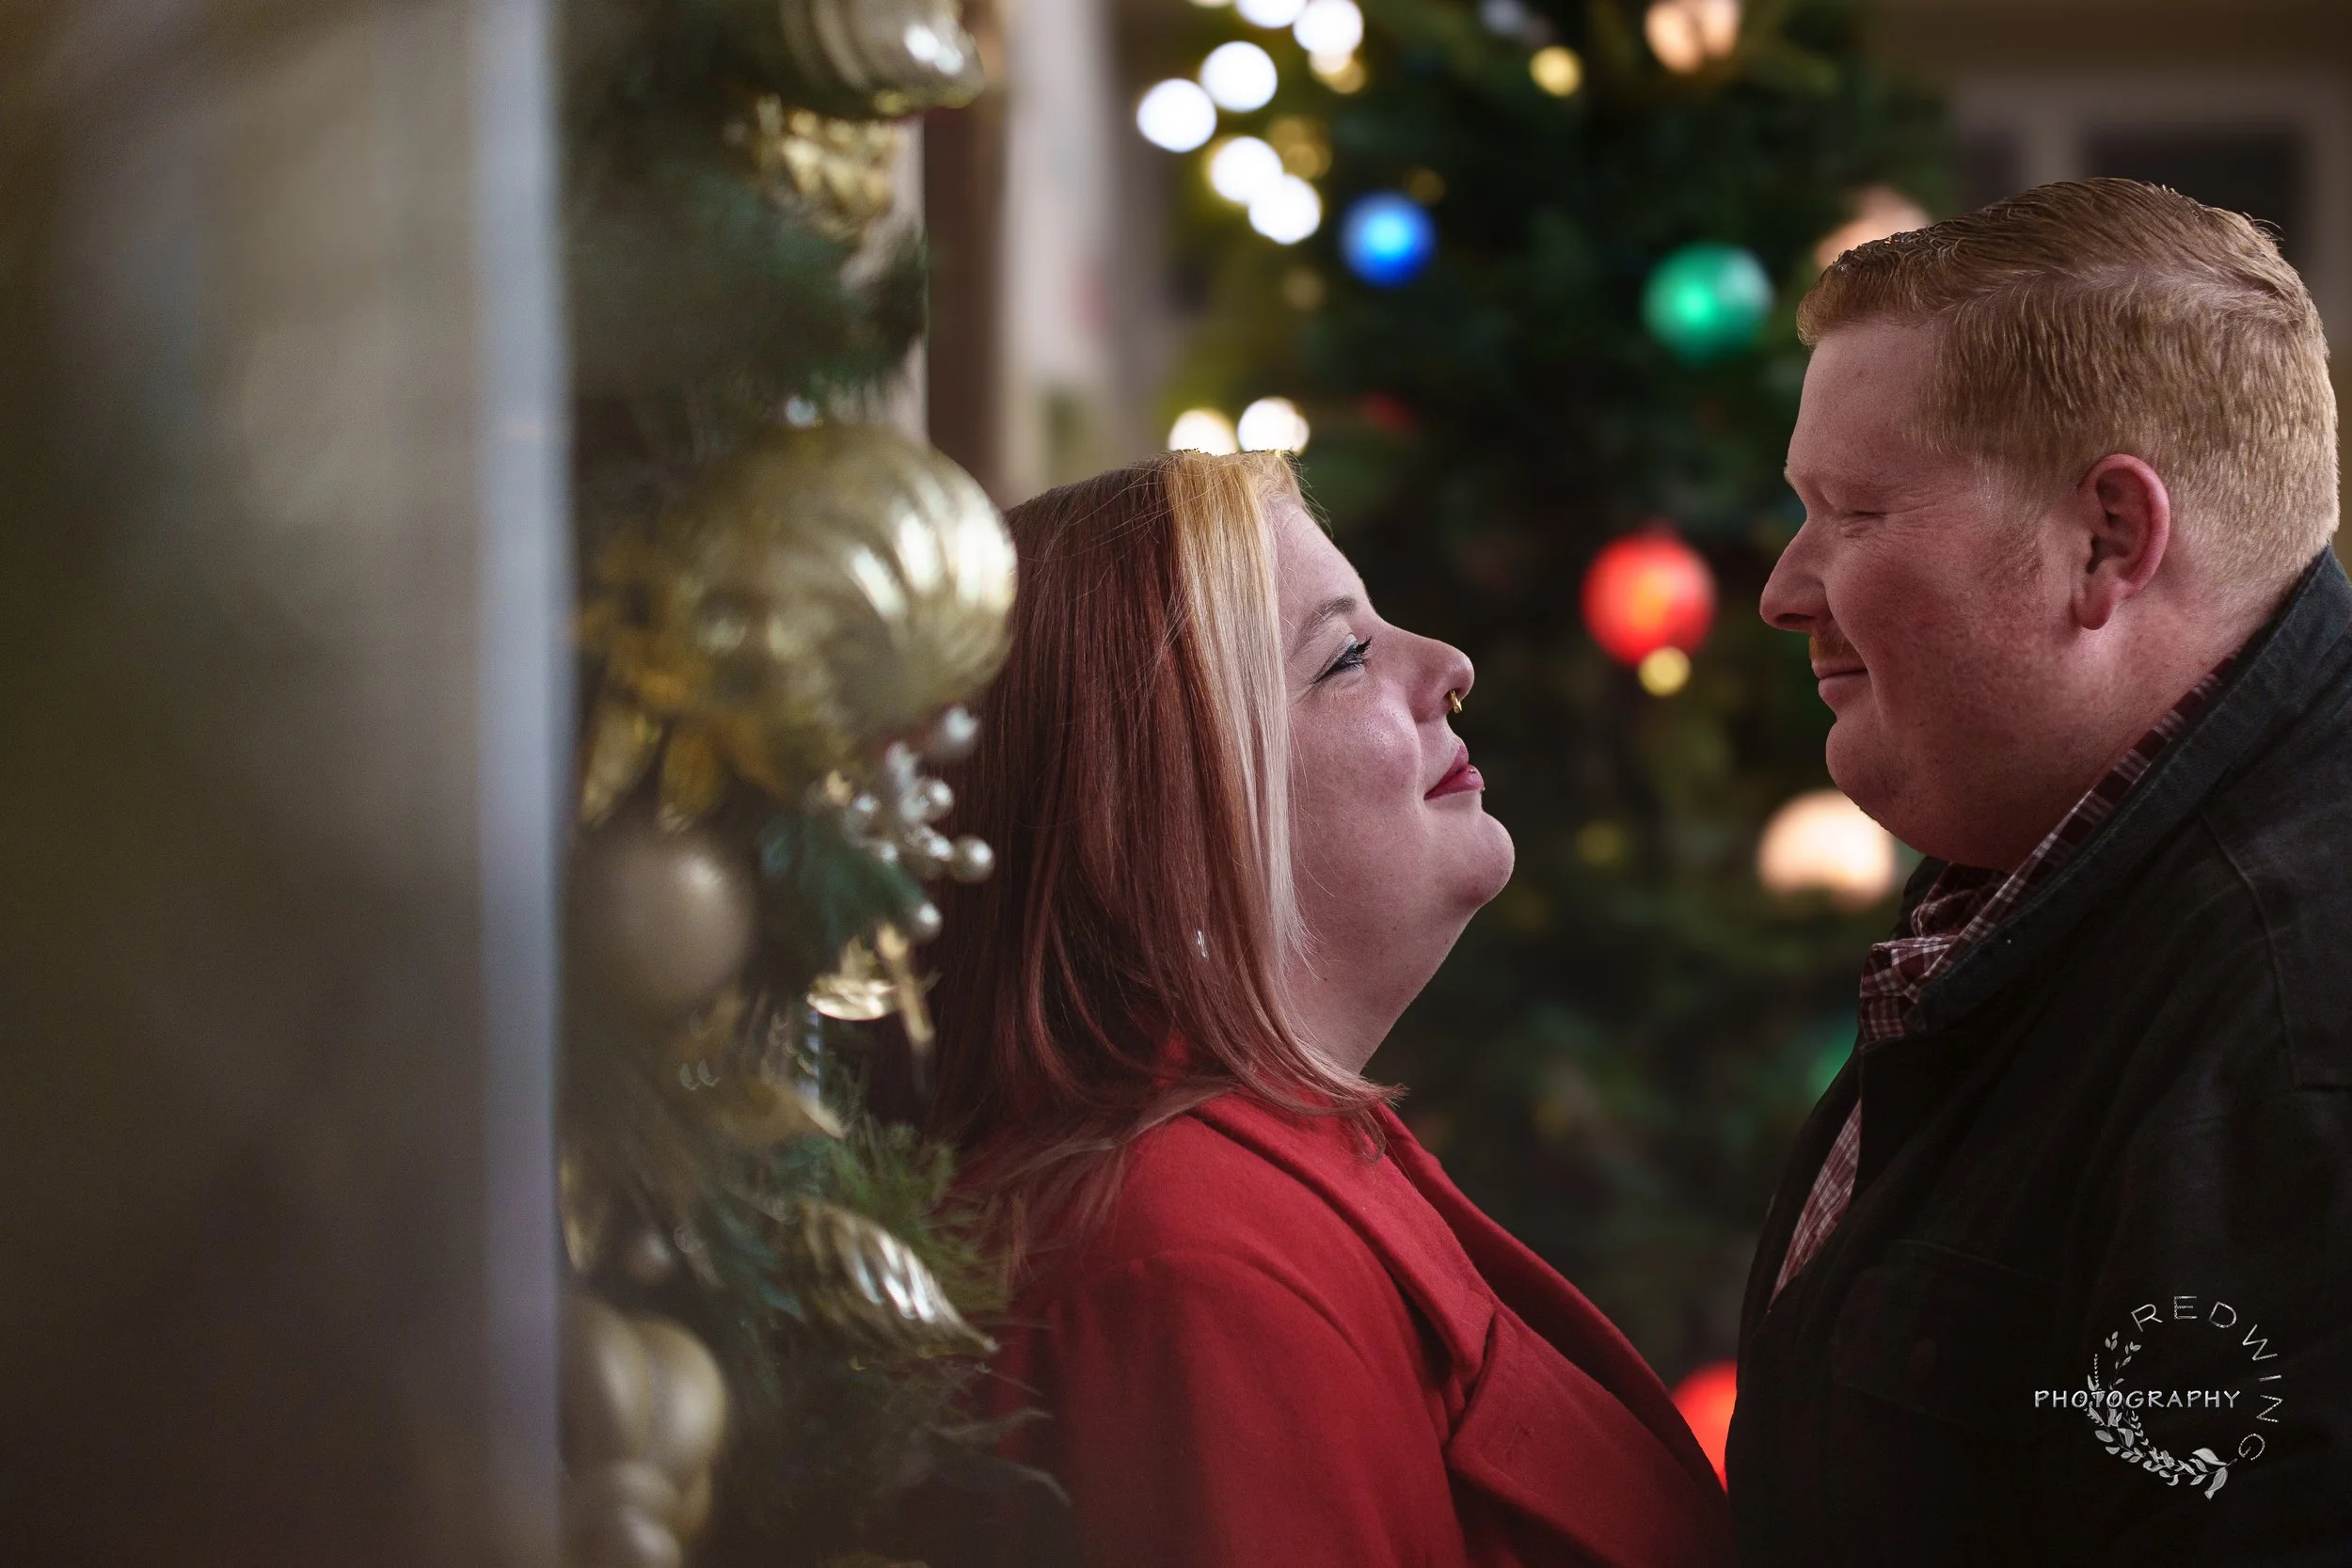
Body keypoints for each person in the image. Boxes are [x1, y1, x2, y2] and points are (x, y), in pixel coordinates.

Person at [914, 452, 1732, 1568]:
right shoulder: (1186, 1270)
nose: (1450, 666)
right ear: (1158, 820)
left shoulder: (1253, 1173)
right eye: (1345, 655)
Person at [1734, 178, 2352, 1564]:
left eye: (1849, 511)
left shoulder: (2296, 1025)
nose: (1783, 588)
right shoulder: (2047, 867)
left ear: (2108, 540)